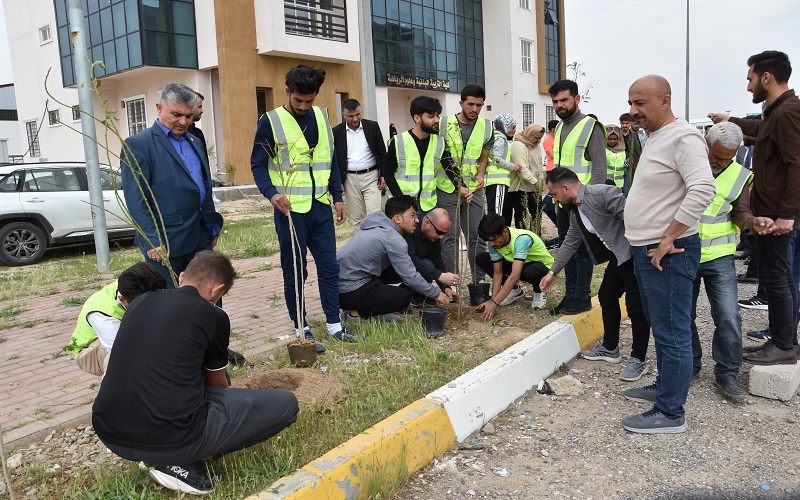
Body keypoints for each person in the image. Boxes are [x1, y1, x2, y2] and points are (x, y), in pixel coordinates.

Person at [92, 252, 299, 495]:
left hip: (110, 431)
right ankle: (177, 461)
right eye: (220, 295)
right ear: (217, 290)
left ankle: (162, 454)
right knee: (286, 405)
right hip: (170, 438)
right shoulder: (214, 315)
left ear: (181, 277)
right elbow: (217, 385)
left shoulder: (139, 302)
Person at [120, 83, 245, 365]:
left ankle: (214, 350)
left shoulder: (194, 141)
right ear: (159, 108)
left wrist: (211, 225)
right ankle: (178, 358)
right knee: (170, 301)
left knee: (211, 292)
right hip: (166, 240)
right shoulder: (138, 145)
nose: (183, 122)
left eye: (188, 116)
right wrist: (152, 239)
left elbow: (203, 187)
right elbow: (137, 199)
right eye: (176, 115)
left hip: (200, 233)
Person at [622, 75, 716, 434]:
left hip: (669, 252)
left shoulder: (683, 137)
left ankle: (671, 412)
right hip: (647, 249)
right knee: (661, 325)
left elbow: (702, 189)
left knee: (673, 330)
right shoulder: (655, 137)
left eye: (640, 103)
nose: (634, 111)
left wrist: (668, 237)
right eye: (631, 103)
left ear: (665, 100)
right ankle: (665, 386)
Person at [251, 64, 355, 345]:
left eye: (309, 101)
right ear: (287, 91)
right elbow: (258, 164)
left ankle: (334, 325)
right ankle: (301, 328)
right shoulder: (270, 122)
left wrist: (337, 197)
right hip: (290, 211)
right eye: (298, 100)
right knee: (296, 271)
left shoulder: (322, 116)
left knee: (330, 268)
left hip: (320, 207)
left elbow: (330, 161)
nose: (303, 106)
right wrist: (271, 194)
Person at [709, 50, 800, 365]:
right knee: (779, 275)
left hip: (776, 214)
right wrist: (730, 121)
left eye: (750, 79)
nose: (748, 86)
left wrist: (787, 214)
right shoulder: (777, 112)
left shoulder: (787, 113)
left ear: (767, 77)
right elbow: (760, 130)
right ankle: (784, 341)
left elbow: (796, 164)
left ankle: (784, 345)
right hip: (772, 211)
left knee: (776, 277)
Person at [540, 167, 651, 382]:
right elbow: (570, 242)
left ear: (566, 188)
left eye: (554, 194)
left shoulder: (602, 194)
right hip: (619, 257)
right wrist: (552, 272)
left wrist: (647, 253)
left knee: (636, 308)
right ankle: (610, 348)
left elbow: (634, 219)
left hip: (635, 256)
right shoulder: (576, 211)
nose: (554, 199)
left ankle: (639, 359)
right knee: (607, 297)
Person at [689, 122, 756, 402]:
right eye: (717, 156)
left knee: (728, 316)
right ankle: (689, 365)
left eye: (729, 157)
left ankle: (727, 373)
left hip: (719, 256)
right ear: (706, 143)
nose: (723, 162)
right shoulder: (687, 166)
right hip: (685, 253)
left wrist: (753, 223)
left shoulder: (740, 175)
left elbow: (740, 213)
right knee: (683, 316)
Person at [338, 195, 450, 321]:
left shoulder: (376, 227)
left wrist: (445, 287)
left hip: (339, 286)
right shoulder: (392, 238)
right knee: (403, 298)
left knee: (401, 276)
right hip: (347, 290)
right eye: (412, 215)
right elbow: (410, 277)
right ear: (397, 218)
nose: (417, 220)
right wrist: (436, 294)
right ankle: (354, 314)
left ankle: (368, 308)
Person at [549, 79, 607, 315]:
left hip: (583, 202)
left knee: (582, 252)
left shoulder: (591, 127)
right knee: (567, 249)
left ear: (576, 99)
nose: (559, 105)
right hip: (564, 203)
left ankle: (581, 297)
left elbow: (599, 169)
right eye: (555, 101)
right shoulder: (560, 128)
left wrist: (592, 204)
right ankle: (570, 294)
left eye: (564, 100)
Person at [65, 262, 167, 377]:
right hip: (90, 351)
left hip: (131, 332)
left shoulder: (139, 284)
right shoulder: (103, 315)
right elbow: (121, 354)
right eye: (144, 305)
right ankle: (113, 387)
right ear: (122, 300)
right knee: (124, 358)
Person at [437, 84, 494, 284]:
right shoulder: (443, 124)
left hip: (473, 190)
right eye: (470, 104)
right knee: (449, 237)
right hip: (447, 188)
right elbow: (440, 156)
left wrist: (481, 174)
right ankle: (452, 284)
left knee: (477, 237)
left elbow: (483, 157)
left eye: (479, 105)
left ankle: (479, 282)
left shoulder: (487, 127)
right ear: (461, 103)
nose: (474, 109)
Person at [474, 213, 554, 318]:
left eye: (494, 239)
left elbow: (515, 276)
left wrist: (495, 303)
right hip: (518, 265)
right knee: (481, 258)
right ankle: (515, 290)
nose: (492, 244)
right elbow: (498, 273)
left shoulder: (522, 239)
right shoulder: (493, 244)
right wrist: (493, 300)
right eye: (489, 241)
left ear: (505, 232)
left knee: (532, 271)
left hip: (541, 267)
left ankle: (539, 291)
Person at [383, 96, 451, 216]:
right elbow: (388, 173)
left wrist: (462, 186)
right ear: (417, 118)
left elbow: (449, 167)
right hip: (402, 207)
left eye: (437, 116)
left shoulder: (440, 141)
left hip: (428, 206)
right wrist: (402, 201)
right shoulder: (398, 141)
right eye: (431, 116)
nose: (436, 120)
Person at [332, 99, 387, 230]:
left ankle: (375, 241)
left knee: (374, 215)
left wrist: (383, 174)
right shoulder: (336, 132)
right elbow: (335, 159)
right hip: (349, 179)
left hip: (371, 176)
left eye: (357, 114)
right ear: (344, 115)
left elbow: (382, 152)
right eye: (351, 116)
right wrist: (338, 182)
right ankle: (362, 242)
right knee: (357, 218)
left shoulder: (372, 127)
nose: (355, 119)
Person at [402, 207, 460, 305]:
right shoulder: (410, 229)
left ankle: (418, 295)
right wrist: (440, 276)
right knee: (427, 264)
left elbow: (438, 263)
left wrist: (446, 288)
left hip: (411, 272)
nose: (441, 237)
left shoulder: (433, 237)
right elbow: (410, 260)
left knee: (429, 264)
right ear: (427, 223)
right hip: (395, 269)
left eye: (444, 233)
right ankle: (407, 294)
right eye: (439, 232)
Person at [505, 123, 545, 233]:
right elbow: (521, 168)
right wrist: (535, 182)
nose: (538, 141)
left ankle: (536, 237)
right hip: (520, 188)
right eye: (536, 138)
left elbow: (538, 165)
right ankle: (523, 238)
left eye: (540, 138)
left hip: (534, 186)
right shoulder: (518, 145)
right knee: (522, 216)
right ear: (530, 134)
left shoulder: (536, 146)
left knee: (537, 214)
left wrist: (541, 180)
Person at [485, 113, 518, 216]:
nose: (514, 130)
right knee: (497, 214)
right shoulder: (500, 138)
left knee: (495, 212)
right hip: (497, 181)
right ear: (505, 126)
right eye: (512, 127)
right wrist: (513, 167)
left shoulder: (495, 136)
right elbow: (497, 159)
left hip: (494, 181)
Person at [187, 91, 208, 162]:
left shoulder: (198, 133)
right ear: (190, 107)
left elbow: (205, 162)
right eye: (199, 107)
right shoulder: (180, 133)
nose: (202, 111)